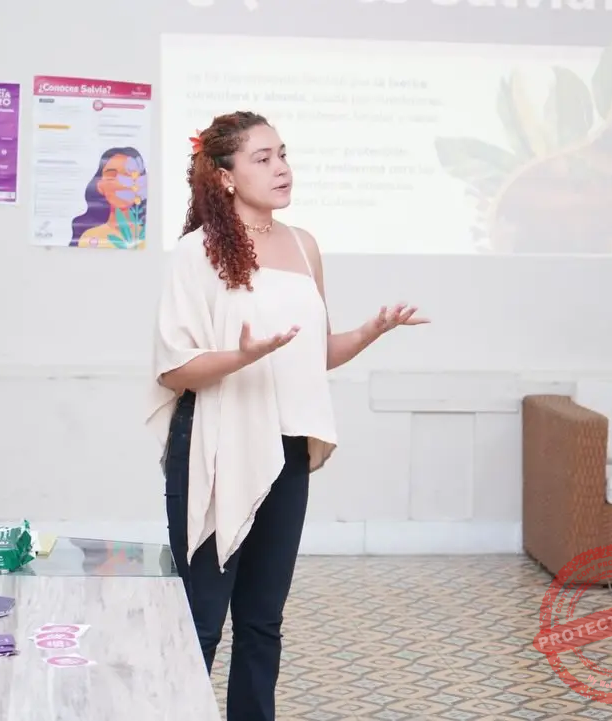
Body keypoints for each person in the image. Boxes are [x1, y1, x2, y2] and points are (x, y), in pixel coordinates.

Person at [148, 111, 428, 721]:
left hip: (287, 448)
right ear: (225, 176)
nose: (282, 169)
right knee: (201, 621)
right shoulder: (195, 253)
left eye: (283, 155)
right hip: (214, 445)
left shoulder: (304, 246)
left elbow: (315, 353)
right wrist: (241, 358)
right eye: (263, 158)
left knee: (262, 622)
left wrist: (372, 331)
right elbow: (174, 370)